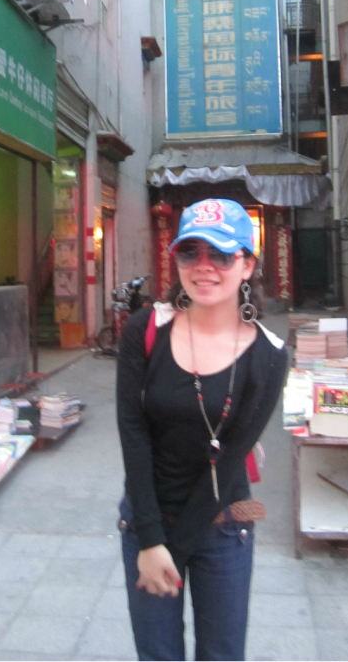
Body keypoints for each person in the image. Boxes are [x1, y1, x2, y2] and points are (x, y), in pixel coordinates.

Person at [117, 198, 288, 661]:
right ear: (177, 259)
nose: (204, 266)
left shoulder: (269, 355)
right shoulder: (145, 329)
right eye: (191, 252)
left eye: (222, 254)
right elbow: (133, 431)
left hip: (224, 525)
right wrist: (150, 540)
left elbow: (230, 458)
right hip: (146, 519)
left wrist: (171, 549)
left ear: (247, 265)